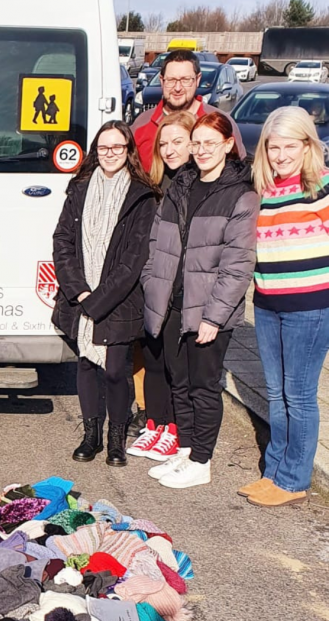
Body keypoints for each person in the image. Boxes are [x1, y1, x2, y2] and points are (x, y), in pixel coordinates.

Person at [141, 112, 259, 489]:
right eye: (197, 143)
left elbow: (238, 264)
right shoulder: (181, 185)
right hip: (172, 303)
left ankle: (201, 460)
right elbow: (155, 243)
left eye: (211, 143)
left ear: (228, 145)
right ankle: (186, 449)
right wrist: (152, 285)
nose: (202, 150)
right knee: (179, 382)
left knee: (203, 387)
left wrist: (214, 317)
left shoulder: (240, 194)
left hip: (208, 309)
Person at [52, 120, 159, 468]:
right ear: (95, 151)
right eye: (103, 147)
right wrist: (79, 291)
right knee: (85, 363)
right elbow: (62, 241)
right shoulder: (79, 189)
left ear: (128, 151)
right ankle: (91, 435)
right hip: (81, 295)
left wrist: (97, 301)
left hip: (119, 298)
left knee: (114, 370)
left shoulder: (142, 196)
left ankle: (116, 438)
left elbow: (134, 258)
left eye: (117, 147)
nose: (110, 153)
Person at [241, 107, 329, 507]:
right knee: (275, 393)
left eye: (290, 147)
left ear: (308, 145)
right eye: (273, 147)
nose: (280, 156)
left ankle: (294, 480)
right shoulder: (264, 189)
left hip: (310, 308)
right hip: (267, 304)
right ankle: (274, 472)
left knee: (299, 394)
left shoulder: (321, 187)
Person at [127, 111, 196, 463]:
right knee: (153, 361)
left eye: (177, 142)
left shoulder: (196, 185)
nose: (169, 150)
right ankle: (154, 423)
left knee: (175, 366)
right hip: (152, 285)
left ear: (193, 144)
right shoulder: (155, 184)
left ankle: (174, 428)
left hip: (179, 290)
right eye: (164, 143)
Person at [132, 49, 245, 173]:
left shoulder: (219, 123)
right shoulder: (141, 124)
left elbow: (239, 172)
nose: (178, 88)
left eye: (185, 80)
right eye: (171, 80)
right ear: (161, 80)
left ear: (197, 79)